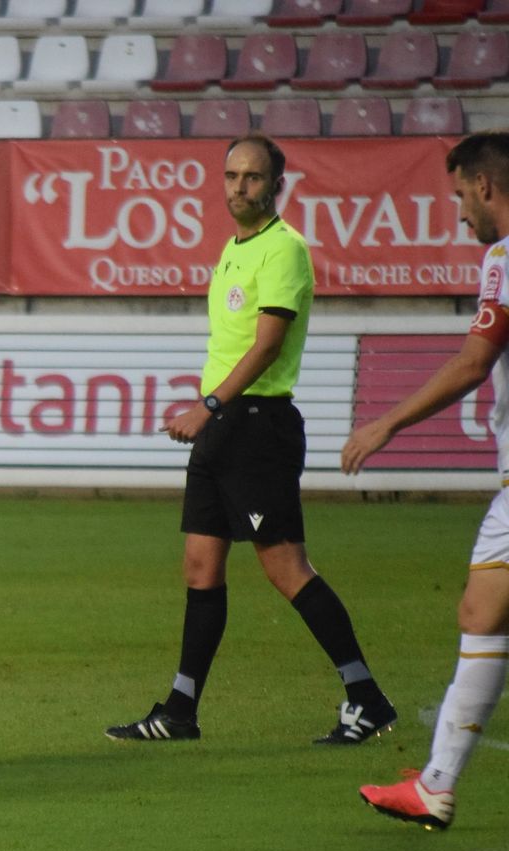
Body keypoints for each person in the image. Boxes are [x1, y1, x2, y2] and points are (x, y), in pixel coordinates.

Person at [106, 134, 396, 745]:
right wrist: (213, 414)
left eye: (253, 178)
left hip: (256, 426)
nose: (240, 187)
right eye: (232, 176)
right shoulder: (233, 249)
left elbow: (266, 346)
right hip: (224, 430)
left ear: (276, 186)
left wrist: (208, 405)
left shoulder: (284, 250)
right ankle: (180, 711)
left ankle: (366, 697)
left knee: (287, 568)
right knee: (200, 567)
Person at [343, 132, 509, 829]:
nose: (460, 214)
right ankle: (437, 779)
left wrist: (387, 424)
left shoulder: (504, 258)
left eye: (460, 197)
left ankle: (437, 783)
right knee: (483, 611)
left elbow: (474, 362)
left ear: (487, 187)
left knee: (482, 614)